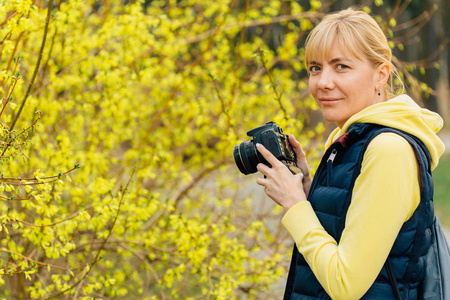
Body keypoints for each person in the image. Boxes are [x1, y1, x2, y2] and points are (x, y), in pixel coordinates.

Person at [254, 7, 446, 300]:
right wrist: (309, 191)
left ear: (380, 74)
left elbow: (346, 285)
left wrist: (295, 207)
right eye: (315, 68)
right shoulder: (352, 141)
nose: (323, 82)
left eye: (341, 66)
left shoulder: (388, 149)